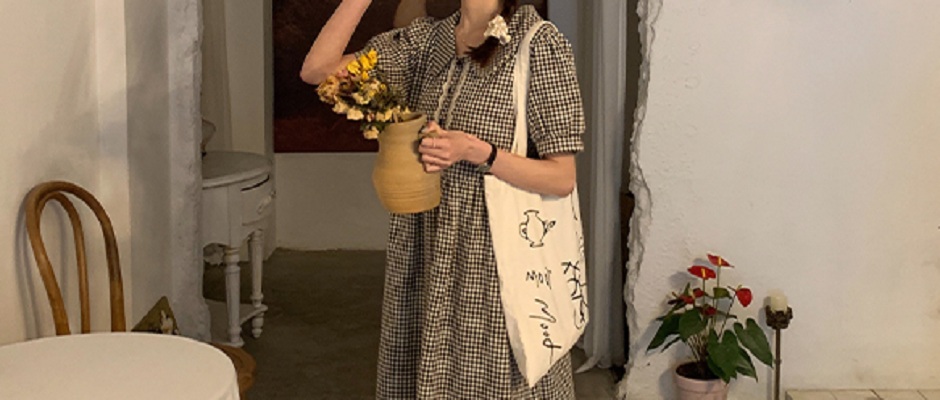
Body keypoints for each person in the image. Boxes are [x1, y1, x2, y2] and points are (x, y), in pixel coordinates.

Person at [300, 0, 584, 398]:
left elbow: (561, 177)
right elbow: (317, 70)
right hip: (426, 250)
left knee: (497, 383)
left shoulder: (537, 43)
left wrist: (477, 152)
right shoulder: (425, 42)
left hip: (495, 260)